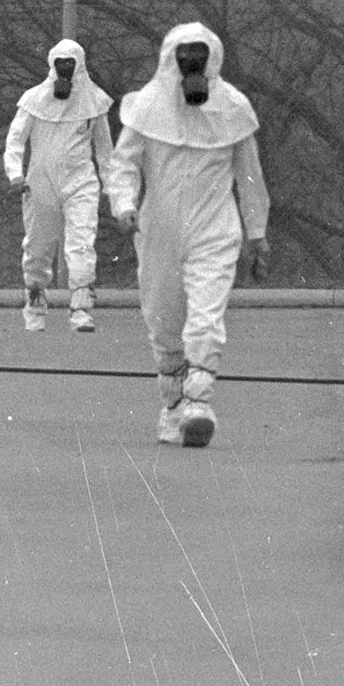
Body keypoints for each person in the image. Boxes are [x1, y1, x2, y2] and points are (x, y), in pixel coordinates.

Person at [107, 22, 270, 447]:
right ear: (172, 59)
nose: (193, 63)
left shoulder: (233, 107)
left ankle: (199, 402)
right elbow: (123, 164)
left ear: (212, 58)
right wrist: (123, 204)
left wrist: (256, 232)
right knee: (163, 320)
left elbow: (249, 176)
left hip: (215, 229)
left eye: (200, 56)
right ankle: (174, 407)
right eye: (185, 56)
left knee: (205, 316)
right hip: (158, 230)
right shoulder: (147, 105)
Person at [4, 38, 114, 332]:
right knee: (38, 246)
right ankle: (35, 305)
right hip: (39, 183)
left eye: (70, 64)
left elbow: (105, 151)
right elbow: (15, 139)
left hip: (81, 182)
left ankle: (81, 309)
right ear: (52, 64)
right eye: (60, 63)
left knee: (82, 243)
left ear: (80, 66)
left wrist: (115, 191)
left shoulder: (94, 102)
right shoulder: (34, 100)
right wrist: (15, 173)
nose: (65, 68)